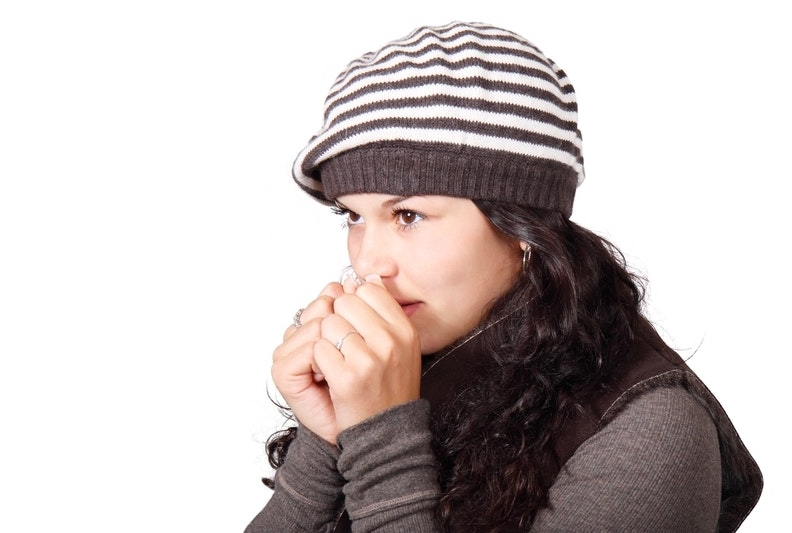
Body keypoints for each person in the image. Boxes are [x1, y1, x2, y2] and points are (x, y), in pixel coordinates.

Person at [244, 21, 762, 532]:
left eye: (408, 216)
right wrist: (322, 441)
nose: (368, 263)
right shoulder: (395, 367)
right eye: (353, 217)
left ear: (521, 224)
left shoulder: (651, 432)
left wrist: (382, 439)